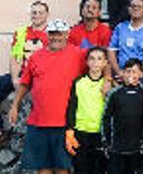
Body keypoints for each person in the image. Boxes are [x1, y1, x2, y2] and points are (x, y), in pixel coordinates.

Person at [8, 18, 86, 174]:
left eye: (59, 34)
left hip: (63, 124)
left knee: (62, 168)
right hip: (38, 123)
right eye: (52, 33)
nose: (55, 37)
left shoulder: (78, 54)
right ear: (47, 35)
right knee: (42, 168)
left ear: (66, 35)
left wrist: (108, 79)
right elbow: (25, 83)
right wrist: (15, 106)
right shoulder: (36, 56)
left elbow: (101, 59)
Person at [64, 47, 112, 174]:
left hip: (100, 134)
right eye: (92, 59)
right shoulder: (78, 82)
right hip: (81, 133)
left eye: (99, 59)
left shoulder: (109, 85)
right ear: (87, 62)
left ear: (105, 62)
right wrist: (69, 130)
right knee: (81, 169)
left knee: (99, 169)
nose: (95, 62)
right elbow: (72, 107)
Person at [102, 59, 143, 174]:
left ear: (141, 74)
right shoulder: (114, 93)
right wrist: (107, 143)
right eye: (128, 71)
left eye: (134, 72)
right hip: (116, 148)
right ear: (122, 73)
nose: (131, 75)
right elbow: (105, 118)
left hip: (137, 147)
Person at [108, 0, 143, 79]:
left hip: (142, 72)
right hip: (121, 71)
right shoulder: (120, 27)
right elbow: (111, 50)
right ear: (129, 9)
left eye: (139, 6)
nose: (136, 9)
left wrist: (135, 72)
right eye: (133, 6)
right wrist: (118, 71)